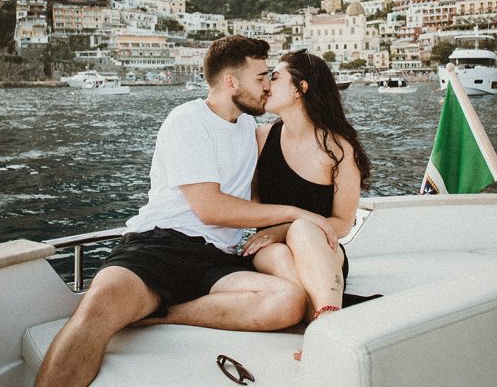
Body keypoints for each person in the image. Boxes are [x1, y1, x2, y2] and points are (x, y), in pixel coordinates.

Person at [35, 36, 338, 387]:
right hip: (157, 247)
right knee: (96, 309)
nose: (267, 86)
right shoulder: (188, 120)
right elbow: (210, 208)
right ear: (230, 82)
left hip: (216, 259)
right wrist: (299, 213)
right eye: (260, 78)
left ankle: (158, 315)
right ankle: (137, 308)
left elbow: (299, 135)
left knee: (288, 301)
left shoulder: (248, 130)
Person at [241, 50, 372, 336]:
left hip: (321, 251)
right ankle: (325, 323)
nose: (266, 86)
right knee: (280, 254)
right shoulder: (262, 138)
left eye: (274, 77)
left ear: (301, 89)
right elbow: (254, 203)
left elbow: (342, 222)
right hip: (268, 250)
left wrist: (285, 228)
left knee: (303, 230)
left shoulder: (337, 149)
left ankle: (324, 326)